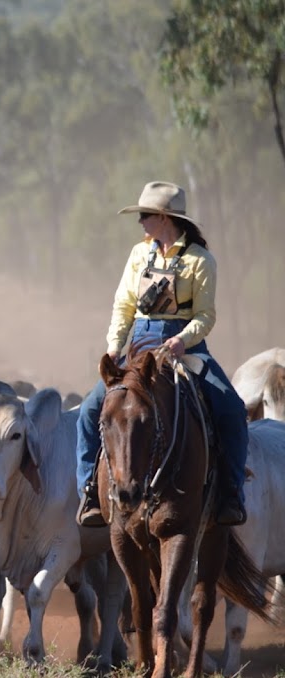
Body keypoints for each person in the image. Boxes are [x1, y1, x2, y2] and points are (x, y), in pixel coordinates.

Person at [75, 181, 248, 528]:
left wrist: (182, 341)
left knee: (231, 408)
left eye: (146, 215)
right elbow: (124, 305)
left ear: (165, 218)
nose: (141, 222)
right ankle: (91, 492)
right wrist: (114, 347)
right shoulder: (139, 254)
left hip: (185, 348)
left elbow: (205, 316)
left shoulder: (200, 260)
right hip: (138, 346)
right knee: (91, 408)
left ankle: (231, 494)